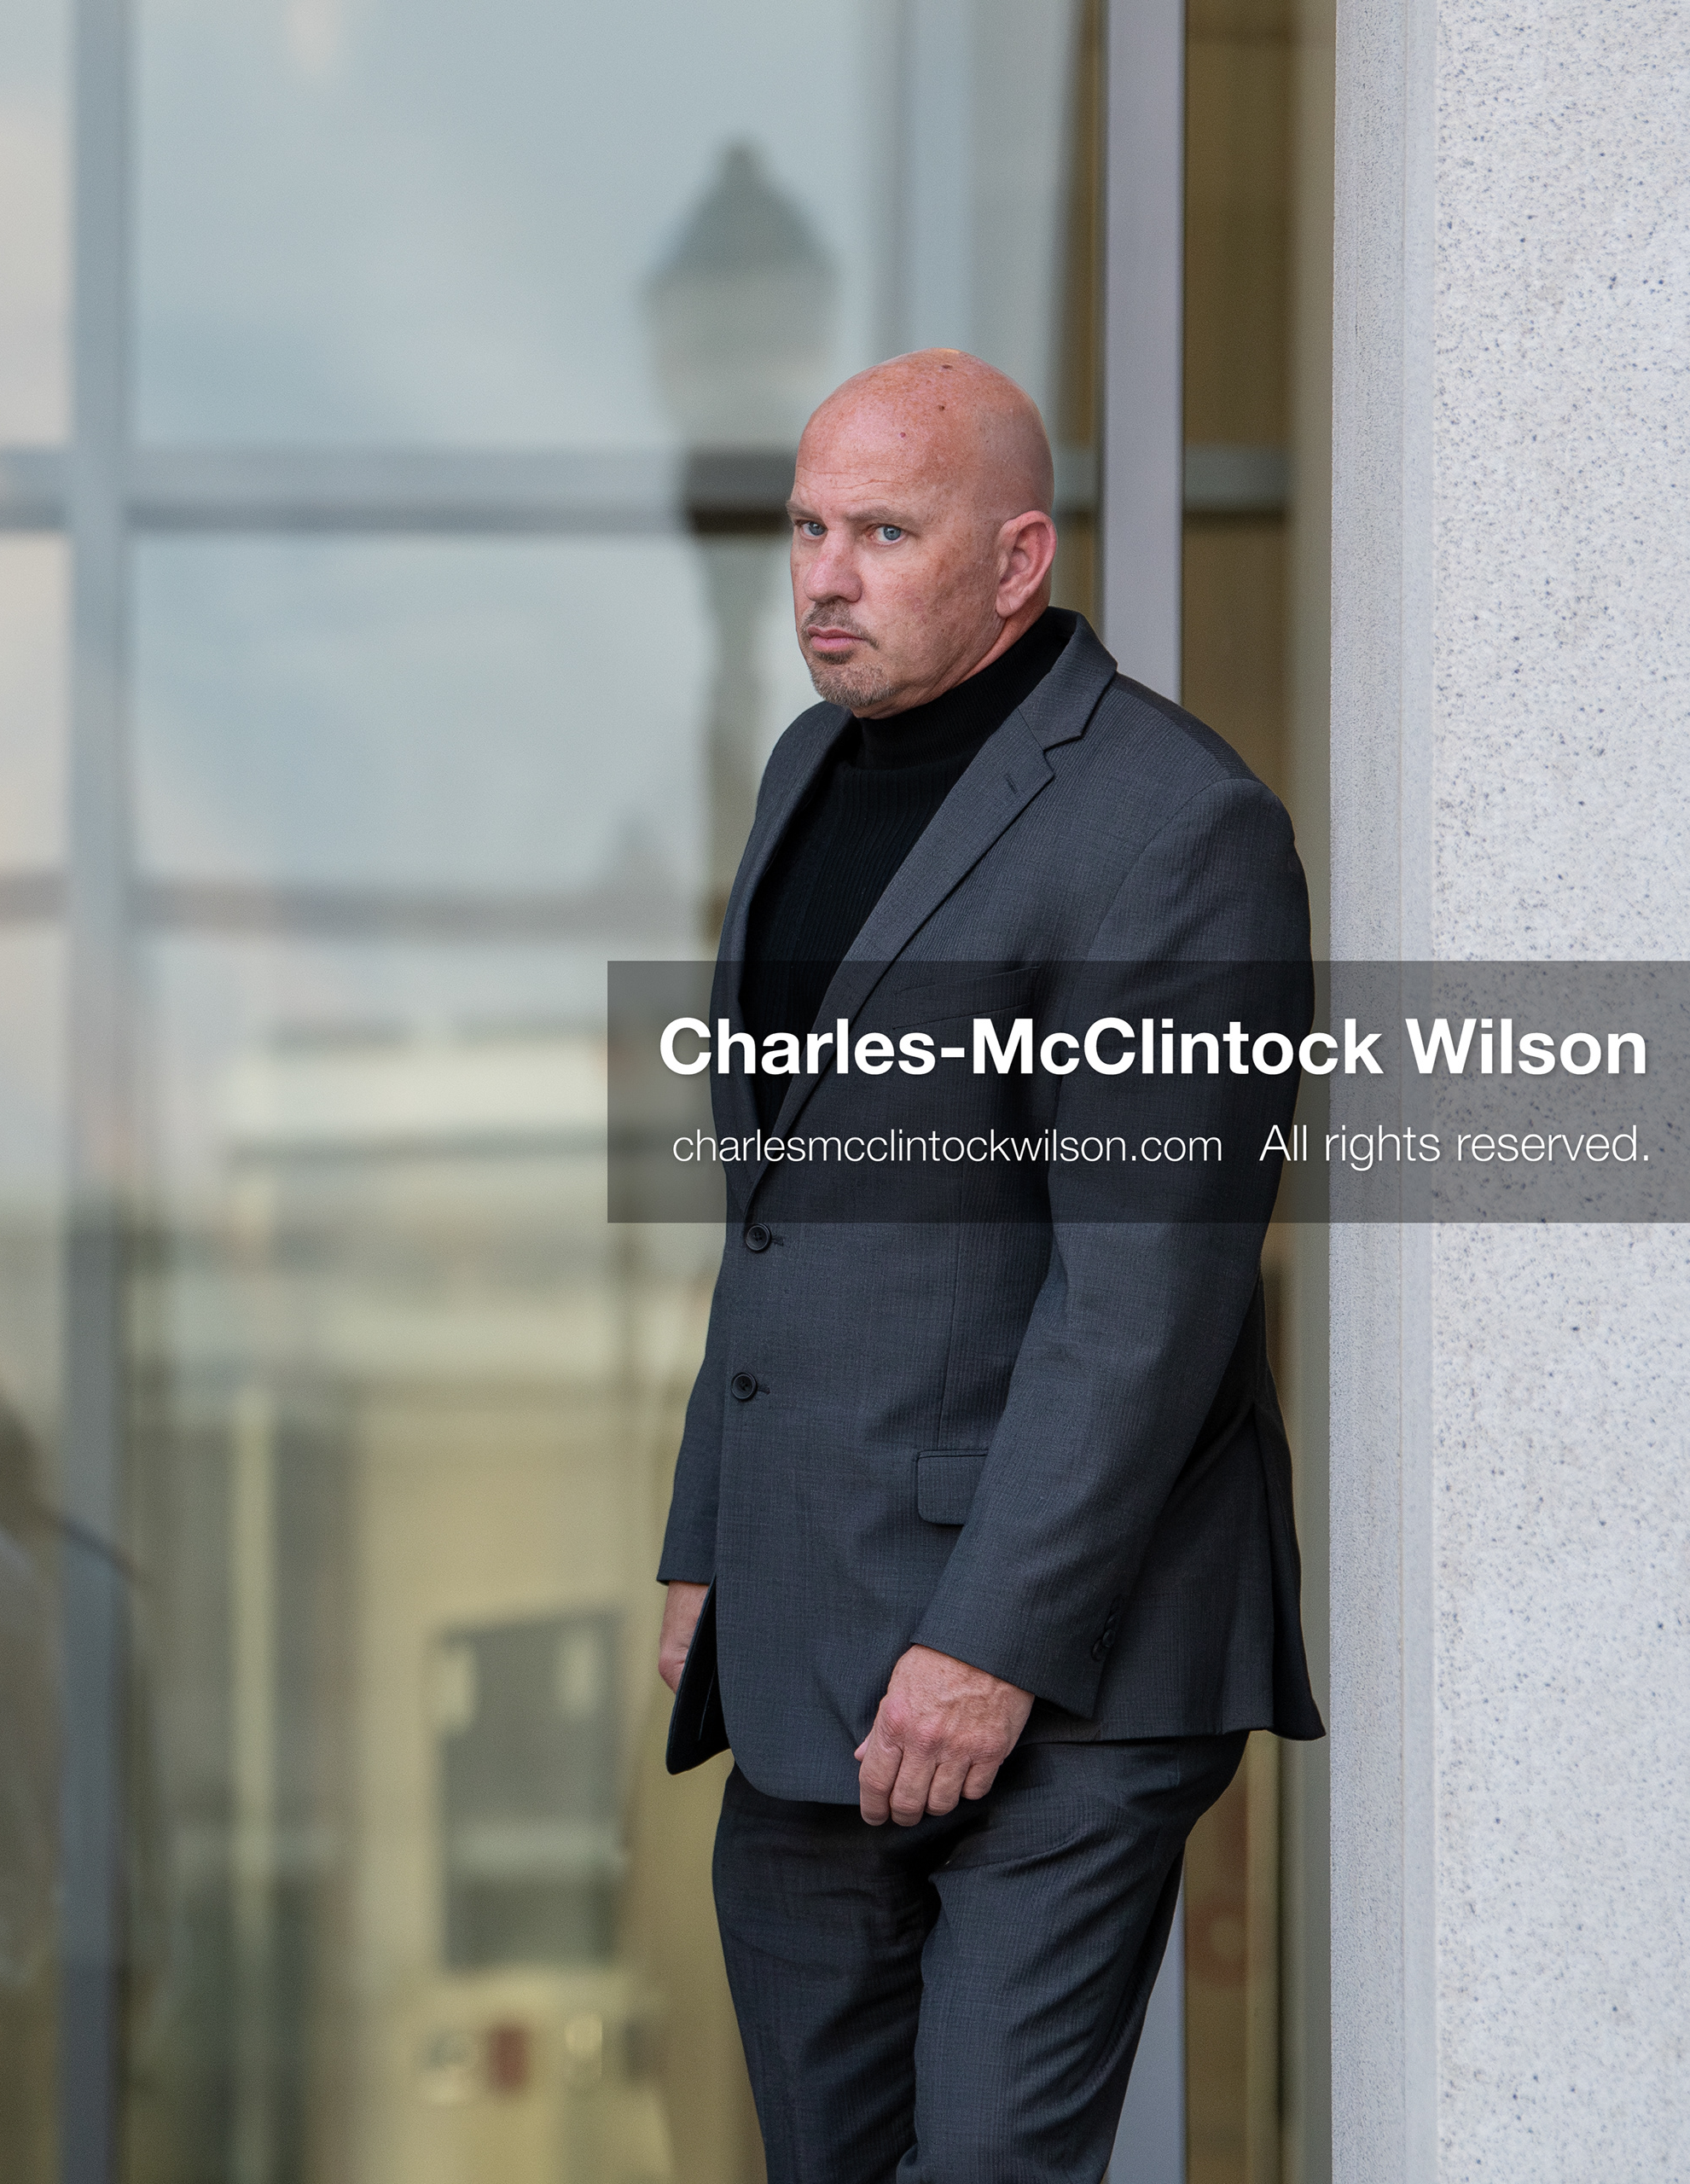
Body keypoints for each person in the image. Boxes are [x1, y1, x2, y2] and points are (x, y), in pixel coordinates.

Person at [657, 350, 1319, 2180]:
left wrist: (985, 1644)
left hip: (1065, 1670)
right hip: (810, 1638)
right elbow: (780, 1196)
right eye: (807, 527)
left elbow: (1148, 1300)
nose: (824, 575)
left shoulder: (1178, 831)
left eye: (884, 530)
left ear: (1018, 557)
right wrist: (711, 1526)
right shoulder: (807, 769)